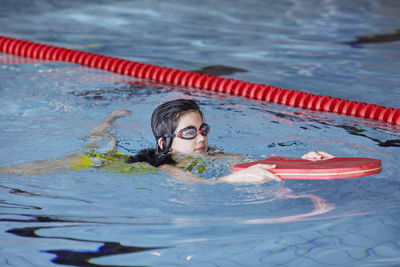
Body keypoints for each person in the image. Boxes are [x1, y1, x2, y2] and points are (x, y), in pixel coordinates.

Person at [0, 99, 334, 183]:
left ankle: (109, 125)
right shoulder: (168, 164)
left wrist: (304, 160)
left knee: (107, 142)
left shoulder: (210, 152)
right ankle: (106, 123)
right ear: (165, 143)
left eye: (203, 129)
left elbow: (249, 158)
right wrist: (235, 179)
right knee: (98, 149)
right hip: (109, 167)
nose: (200, 137)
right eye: (190, 132)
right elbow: (198, 185)